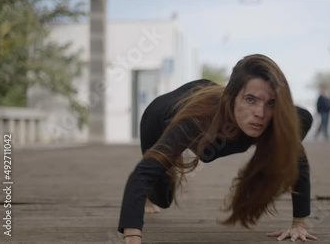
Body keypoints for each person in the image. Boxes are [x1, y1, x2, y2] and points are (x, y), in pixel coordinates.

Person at [118, 54, 317, 243]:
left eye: (271, 102)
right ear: (232, 98)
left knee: (288, 139)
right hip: (159, 116)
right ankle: (149, 197)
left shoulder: (275, 118)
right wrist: (132, 236)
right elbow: (143, 175)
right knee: (161, 196)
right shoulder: (196, 121)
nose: (260, 113)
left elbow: (297, 159)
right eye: (250, 99)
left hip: (204, 99)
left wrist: (299, 223)